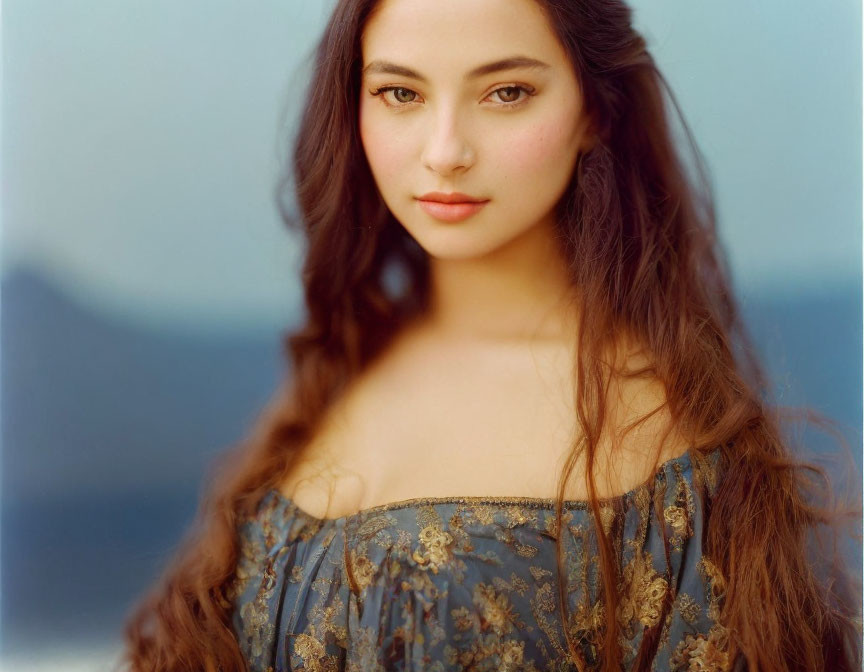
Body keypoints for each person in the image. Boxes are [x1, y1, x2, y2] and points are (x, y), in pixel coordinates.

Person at [119, 0, 862, 669]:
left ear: (595, 110)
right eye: (400, 93)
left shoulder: (650, 424)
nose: (445, 151)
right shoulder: (342, 372)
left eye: (507, 92)